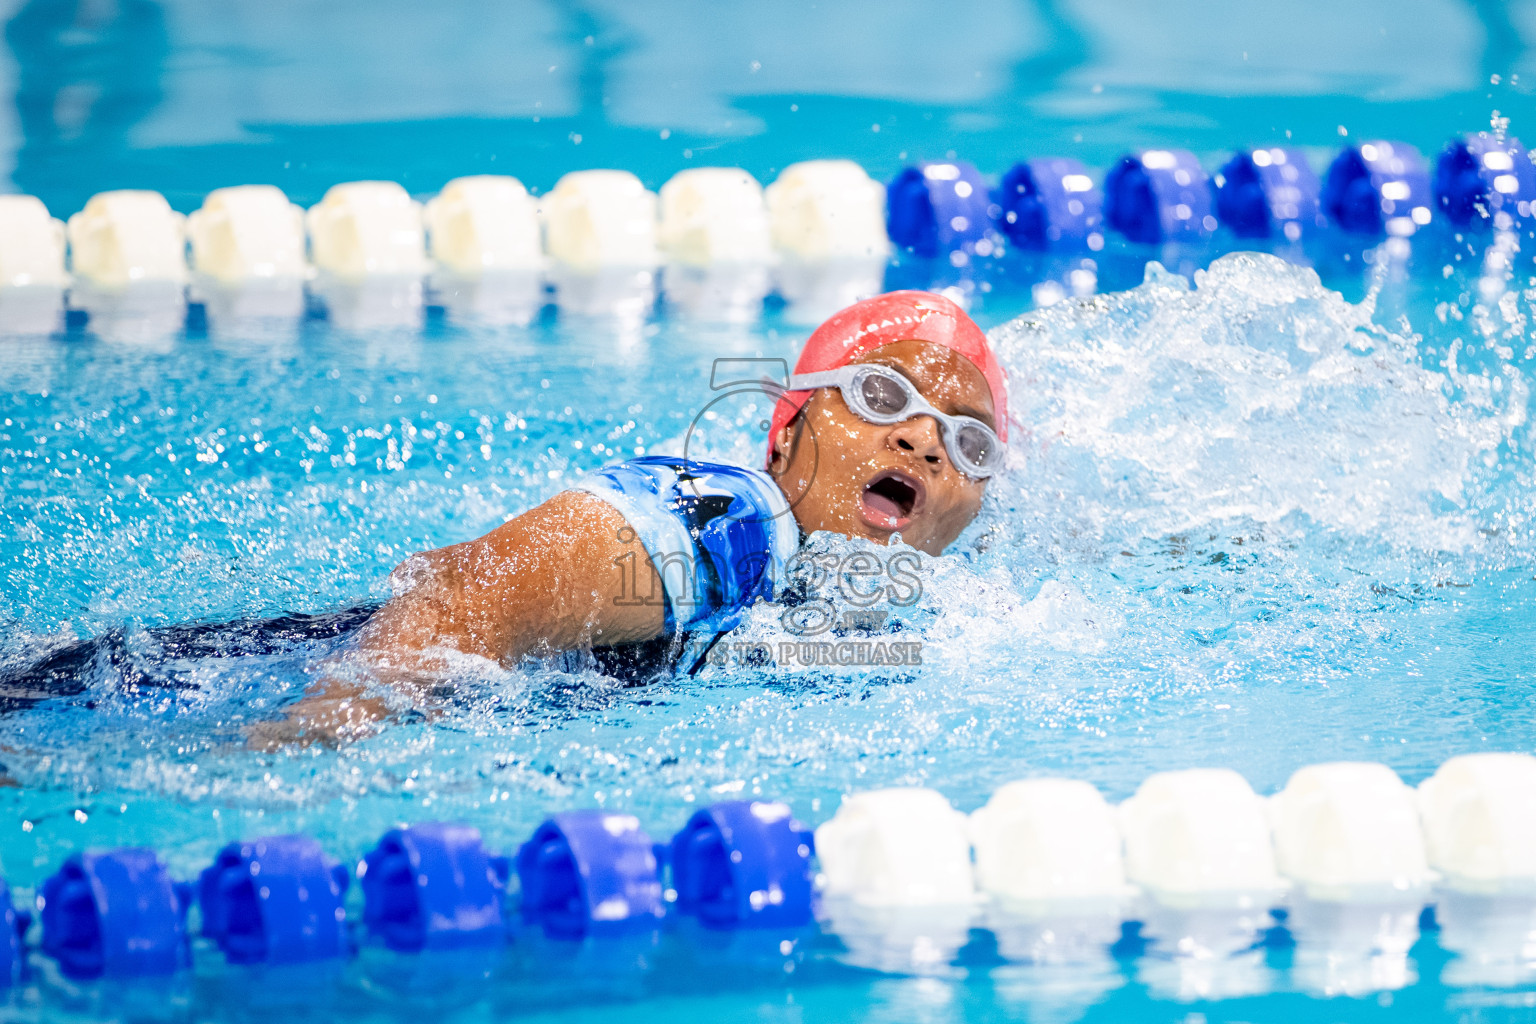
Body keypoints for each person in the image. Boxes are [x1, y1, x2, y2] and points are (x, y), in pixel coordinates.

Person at [255, 289, 1009, 746]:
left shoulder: (881, 613)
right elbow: (471, 586)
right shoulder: (737, 522)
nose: (922, 439)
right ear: (785, 437)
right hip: (226, 688)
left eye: (969, 440)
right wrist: (322, 727)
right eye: (879, 396)